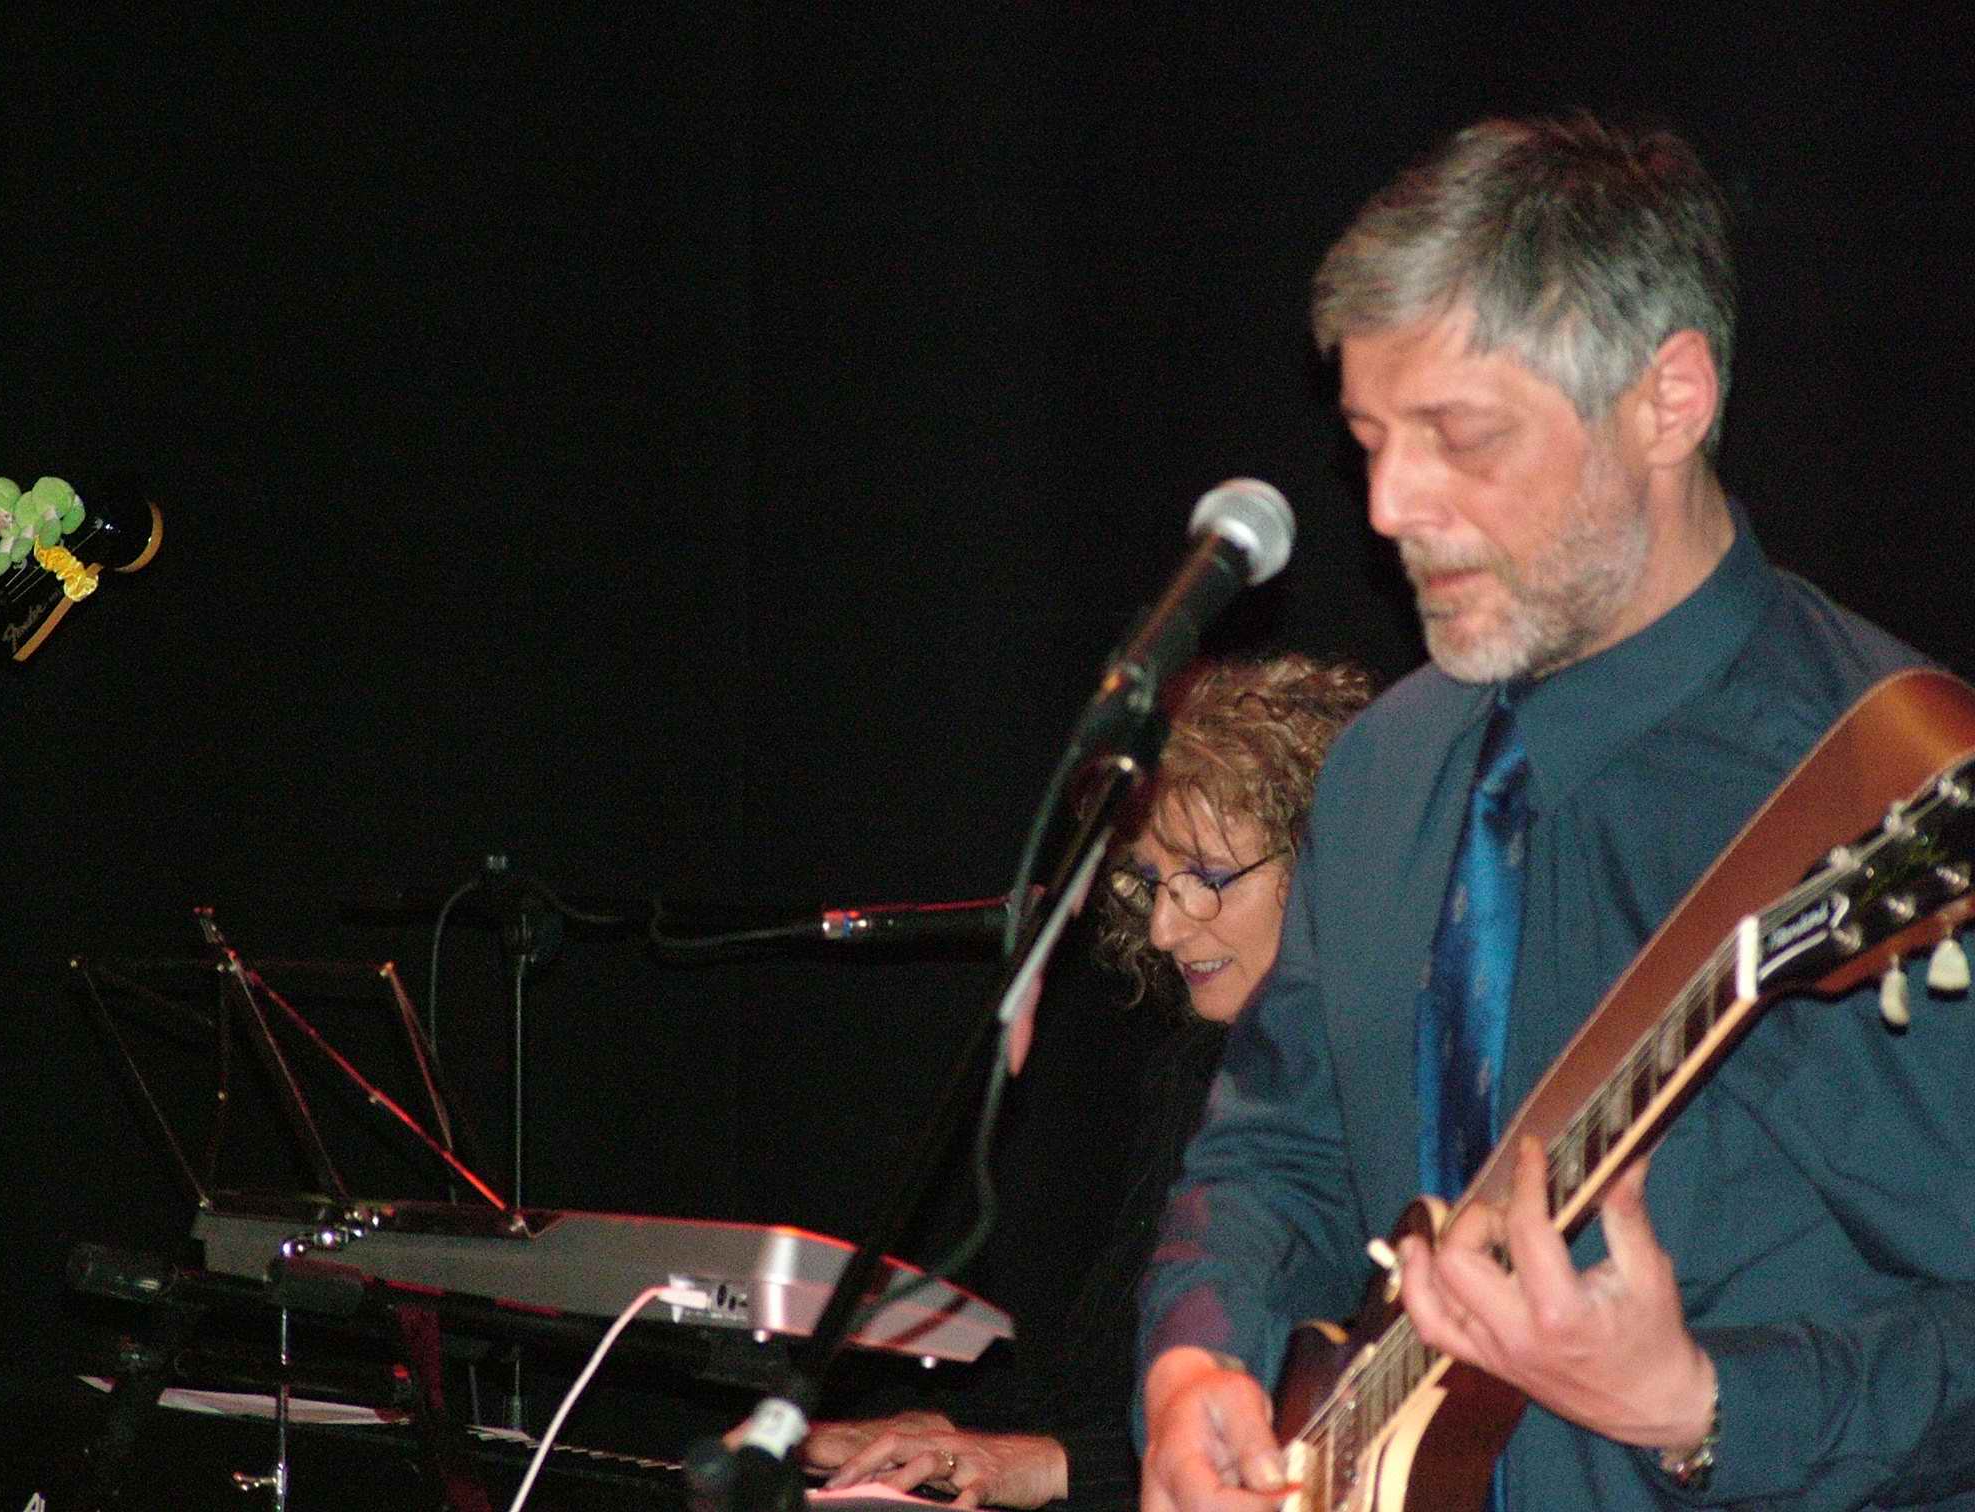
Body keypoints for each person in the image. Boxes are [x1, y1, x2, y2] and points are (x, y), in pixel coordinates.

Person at [1137, 113, 1975, 1511]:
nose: (1389, 505)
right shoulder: (1385, 767)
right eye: (1367, 440)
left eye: (1459, 437)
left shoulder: (1899, 790)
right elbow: (1274, 1151)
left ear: (1670, 399)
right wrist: (1194, 1360)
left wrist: (1711, 1406)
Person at [800, 654, 1371, 1509]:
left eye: (1208, 879)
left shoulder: (1375, 1086)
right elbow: (1103, 1391)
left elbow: (1307, 1428)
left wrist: (1032, 1463)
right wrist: (951, 1434)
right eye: (1148, 881)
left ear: (1320, 860)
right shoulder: (1195, 1065)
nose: (1166, 928)